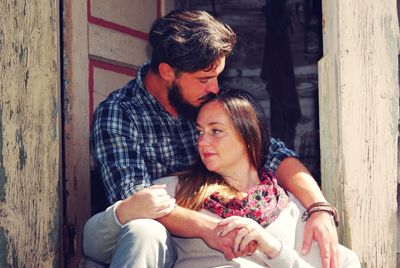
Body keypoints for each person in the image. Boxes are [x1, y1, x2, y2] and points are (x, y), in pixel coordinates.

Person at [84, 9, 339, 268]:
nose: (215, 88)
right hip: (156, 243)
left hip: (215, 235)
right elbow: (137, 200)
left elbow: (271, 153)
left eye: (218, 77)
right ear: (167, 72)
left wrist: (319, 208)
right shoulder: (118, 113)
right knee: (145, 231)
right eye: (205, 79)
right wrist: (213, 228)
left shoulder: (205, 101)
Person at [168, 89, 360, 267]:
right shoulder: (180, 190)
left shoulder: (290, 209)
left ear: (248, 135)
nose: (202, 141)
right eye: (200, 132)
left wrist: (273, 248)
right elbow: (139, 204)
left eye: (216, 131)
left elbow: (348, 262)